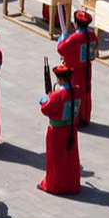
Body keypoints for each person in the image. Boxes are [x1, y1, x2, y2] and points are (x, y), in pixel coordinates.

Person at [39, 64, 82, 195]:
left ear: (60, 80)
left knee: (56, 159)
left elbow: (45, 109)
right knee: (70, 157)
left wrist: (45, 99)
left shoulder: (56, 96)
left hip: (56, 131)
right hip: (71, 128)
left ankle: (55, 185)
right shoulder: (78, 90)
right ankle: (71, 183)